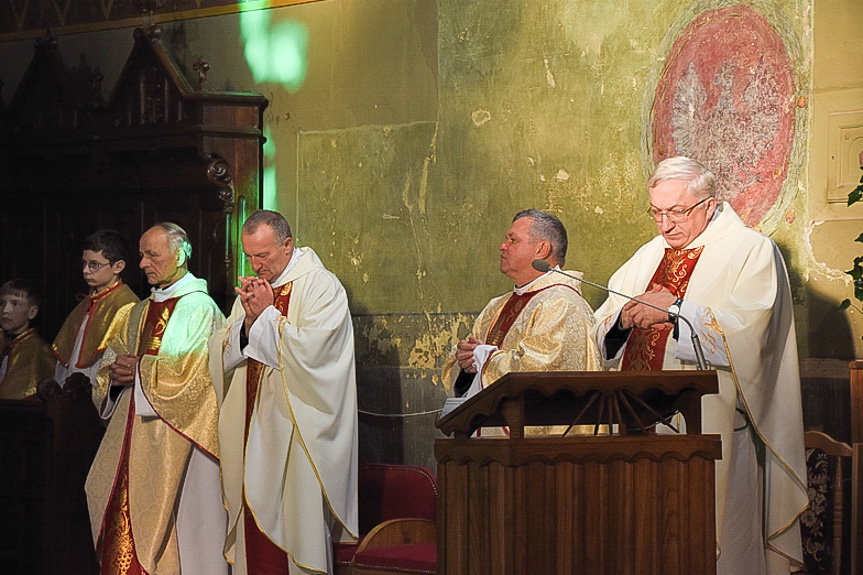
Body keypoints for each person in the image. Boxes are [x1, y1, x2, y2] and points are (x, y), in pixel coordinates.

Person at [592, 156, 807, 575]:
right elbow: (602, 323)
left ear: (709, 205)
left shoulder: (751, 250)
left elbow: (751, 335)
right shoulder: (648, 255)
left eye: (676, 211)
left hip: (715, 431)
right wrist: (620, 321)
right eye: (657, 212)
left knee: (717, 543)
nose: (665, 225)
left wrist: (673, 311)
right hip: (637, 428)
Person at [209, 209, 358, 575]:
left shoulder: (321, 286)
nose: (256, 266)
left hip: (297, 429)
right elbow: (220, 347)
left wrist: (267, 317)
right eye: (249, 256)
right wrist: (246, 323)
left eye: (264, 256)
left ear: (287, 244)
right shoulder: (251, 292)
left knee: (297, 527)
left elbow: (318, 353)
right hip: (250, 425)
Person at [85, 223, 228, 575]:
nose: (144, 263)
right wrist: (115, 375)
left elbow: (194, 374)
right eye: (142, 255)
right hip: (131, 438)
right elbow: (111, 361)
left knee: (187, 533)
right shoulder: (136, 311)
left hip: (182, 442)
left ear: (180, 254)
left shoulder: (199, 308)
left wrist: (139, 372)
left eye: (153, 254)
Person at [441, 209, 600, 399]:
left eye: (512, 240)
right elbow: (466, 368)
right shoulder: (497, 306)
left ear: (541, 249)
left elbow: (543, 371)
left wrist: (485, 358)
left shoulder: (561, 303)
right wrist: (467, 363)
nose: (502, 246)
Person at [52, 229, 139, 387]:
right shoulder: (86, 303)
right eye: (84, 263)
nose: (86, 270)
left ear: (118, 266)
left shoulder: (128, 305)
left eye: (94, 265)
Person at [0, 278, 54, 399]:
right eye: (2, 303)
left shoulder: (39, 350)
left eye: (15, 304)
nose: (5, 311)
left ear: (32, 312)